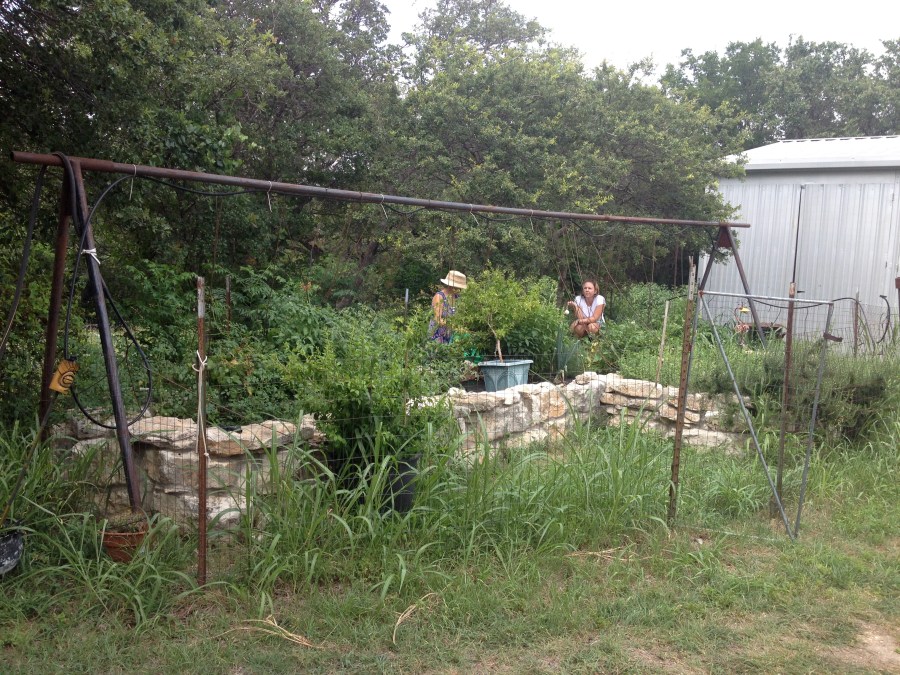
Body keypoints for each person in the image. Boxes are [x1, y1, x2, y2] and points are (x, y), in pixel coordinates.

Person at [429, 270, 467, 343]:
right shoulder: (439, 297)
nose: (460, 289)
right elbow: (438, 319)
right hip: (438, 337)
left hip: (452, 337)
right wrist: (454, 326)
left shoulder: (458, 297)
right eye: (458, 286)